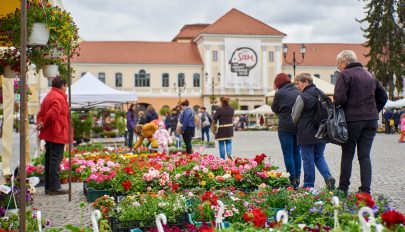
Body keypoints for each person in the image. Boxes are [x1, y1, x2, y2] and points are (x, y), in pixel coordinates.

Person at [334, 50, 388, 194]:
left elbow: (339, 99)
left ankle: (343, 188)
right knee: (364, 156)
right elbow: (383, 96)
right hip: (371, 121)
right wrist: (373, 110)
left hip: (352, 120)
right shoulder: (369, 75)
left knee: (347, 154)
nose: (338, 67)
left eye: (338, 63)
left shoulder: (345, 75)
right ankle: (365, 190)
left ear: (345, 61)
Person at [291, 73, 335, 190]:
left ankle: (308, 185)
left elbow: (295, 115)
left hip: (306, 132)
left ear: (306, 82)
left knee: (308, 159)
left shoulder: (303, 96)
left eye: (298, 83)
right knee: (319, 157)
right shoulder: (321, 93)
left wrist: (297, 125)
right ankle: (328, 177)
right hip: (322, 131)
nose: (297, 86)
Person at [36, 77, 69, 195]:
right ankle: (55, 187)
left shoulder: (48, 96)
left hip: (50, 134)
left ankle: (49, 187)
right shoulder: (58, 96)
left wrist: (40, 123)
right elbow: (52, 113)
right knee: (55, 160)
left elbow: (40, 113)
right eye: (65, 86)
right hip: (57, 133)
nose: (66, 89)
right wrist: (44, 123)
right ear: (62, 86)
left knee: (49, 160)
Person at [271, 72, 301, 188]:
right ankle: (298, 177)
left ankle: (291, 178)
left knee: (288, 153)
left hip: (284, 126)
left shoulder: (279, 93)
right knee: (296, 152)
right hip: (298, 125)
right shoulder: (298, 90)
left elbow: (274, 108)